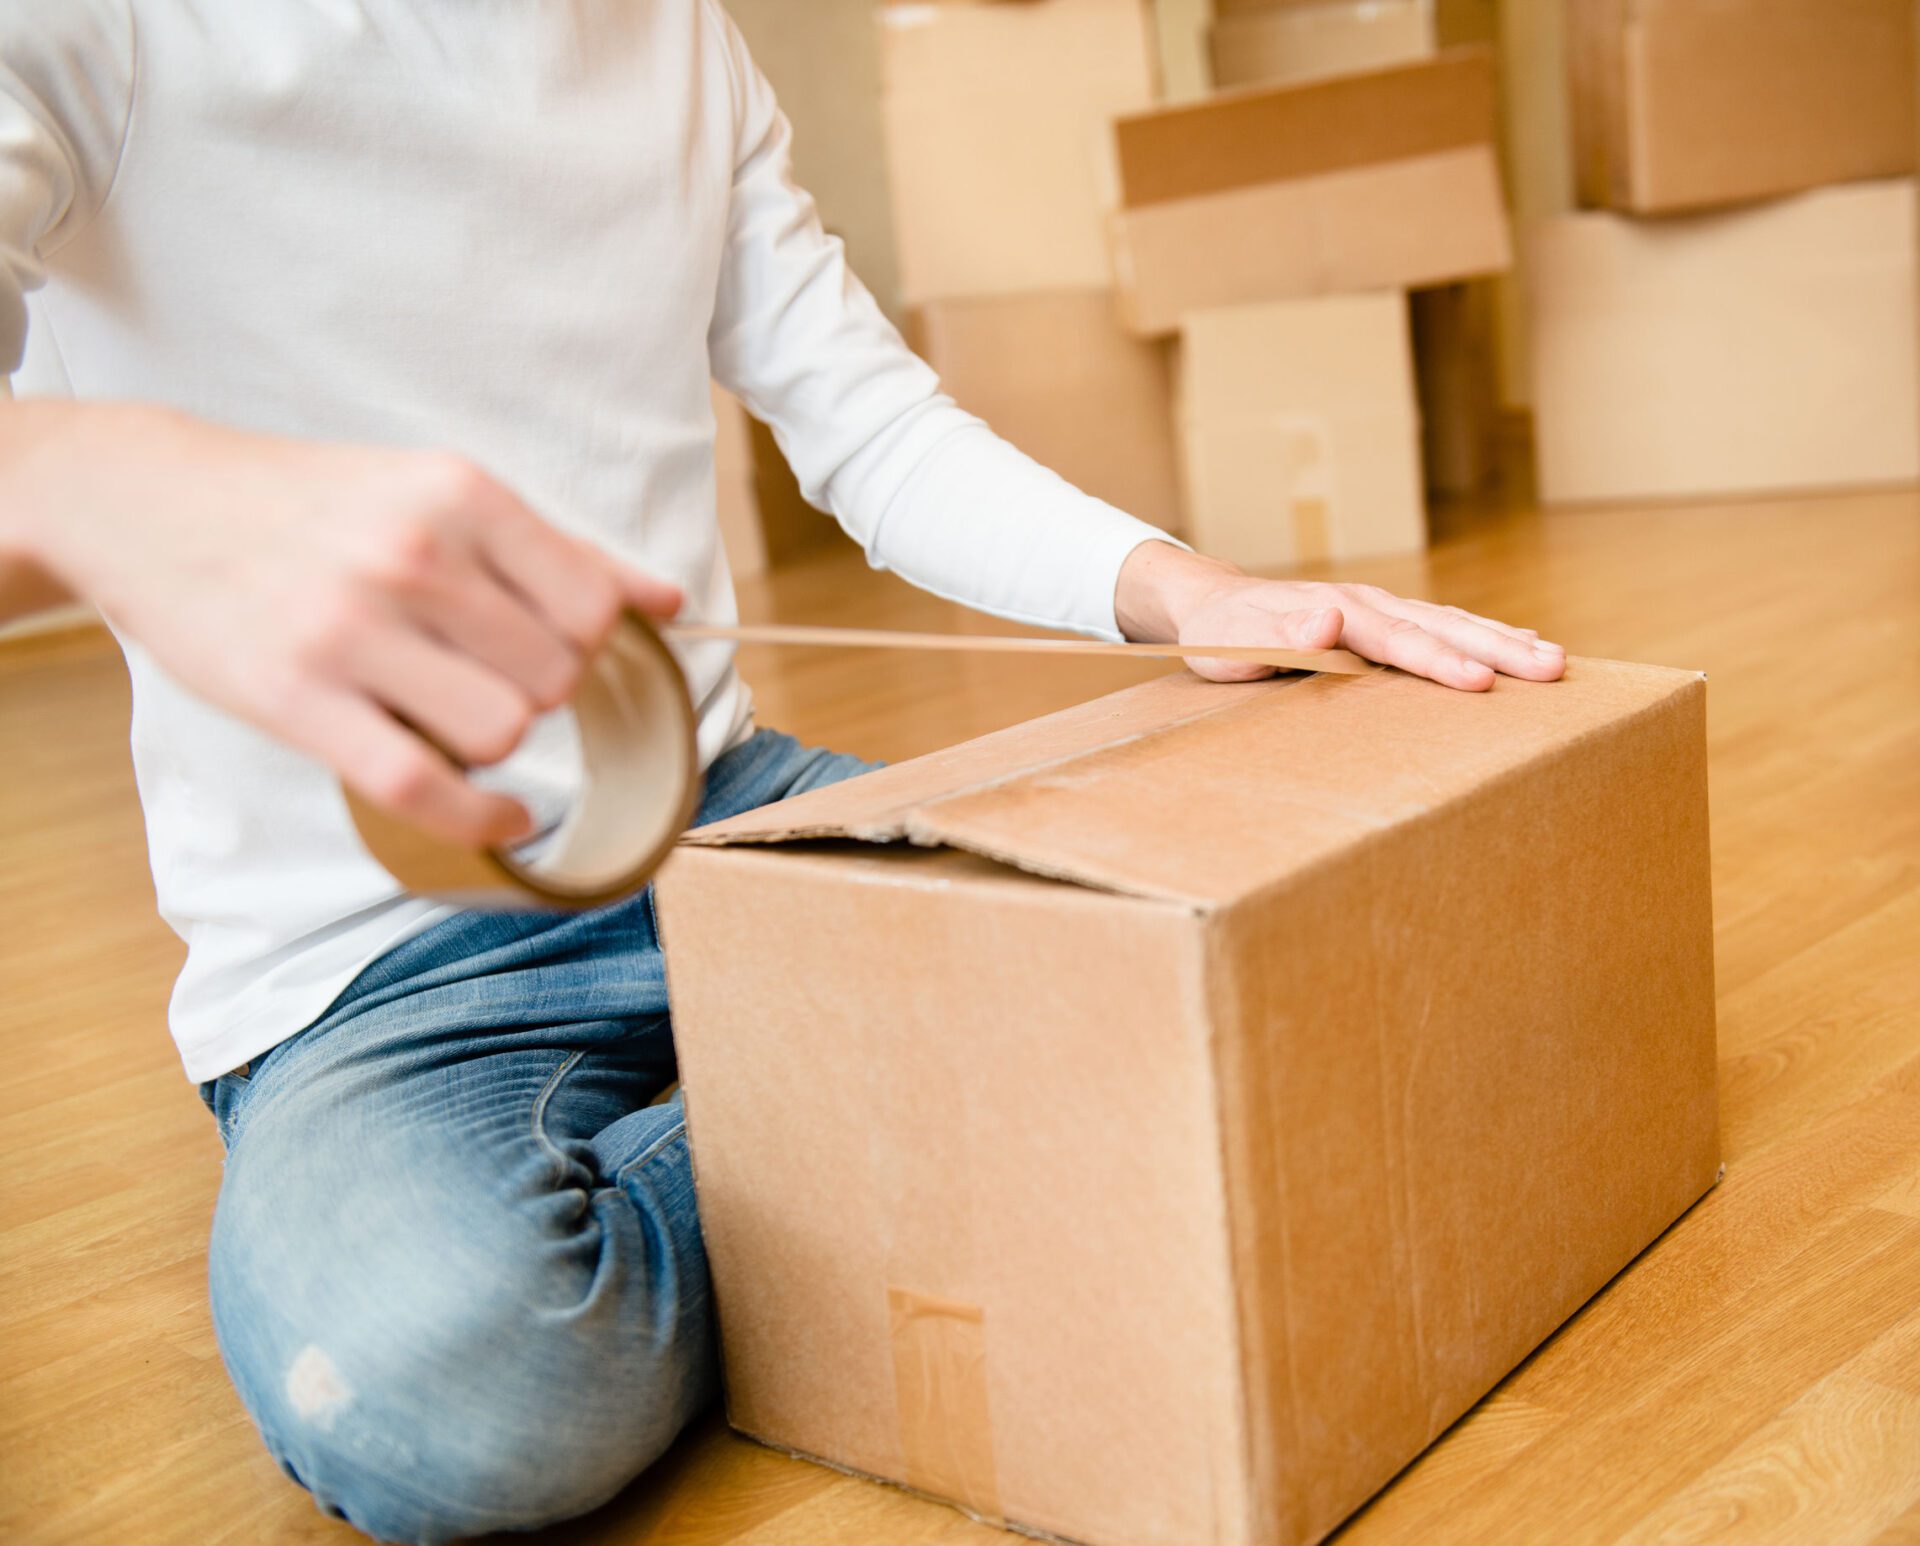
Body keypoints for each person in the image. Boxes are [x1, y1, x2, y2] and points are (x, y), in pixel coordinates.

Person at [0, 3, 1568, 1541]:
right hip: (379, 969)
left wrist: (1190, 590)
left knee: (1219, 966)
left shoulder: (678, 35)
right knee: (459, 1378)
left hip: (733, 816)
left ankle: (825, 1072)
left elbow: (874, 429)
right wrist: (105, 480)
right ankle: (870, 1085)